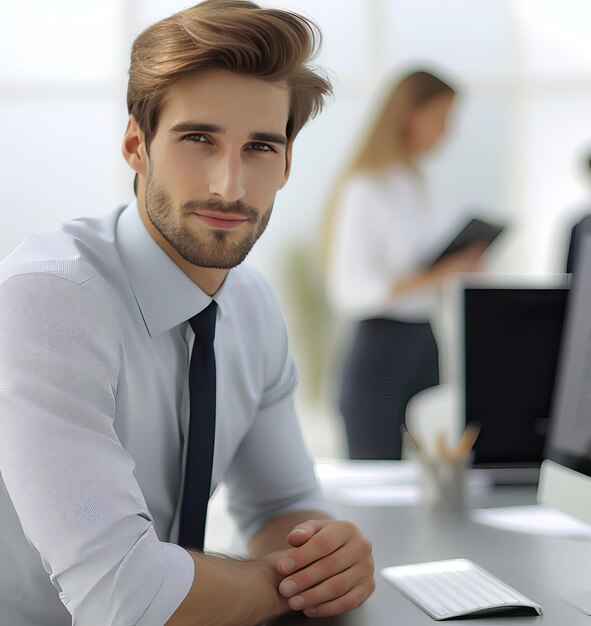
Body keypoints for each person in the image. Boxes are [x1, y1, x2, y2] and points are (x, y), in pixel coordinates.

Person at [0, 2, 375, 625]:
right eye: (198, 139)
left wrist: (327, 561)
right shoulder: (49, 300)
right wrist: (287, 582)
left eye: (259, 147)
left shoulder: (250, 304)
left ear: (286, 164)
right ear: (135, 145)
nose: (230, 186)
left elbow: (284, 505)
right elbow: (124, 597)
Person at [322, 70, 487, 460]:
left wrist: (459, 268)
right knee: (378, 480)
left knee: (433, 471)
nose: (447, 132)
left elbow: (425, 271)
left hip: (423, 343)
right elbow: (350, 290)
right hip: (380, 351)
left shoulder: (416, 182)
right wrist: (436, 274)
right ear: (410, 115)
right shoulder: (364, 188)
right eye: (442, 118)